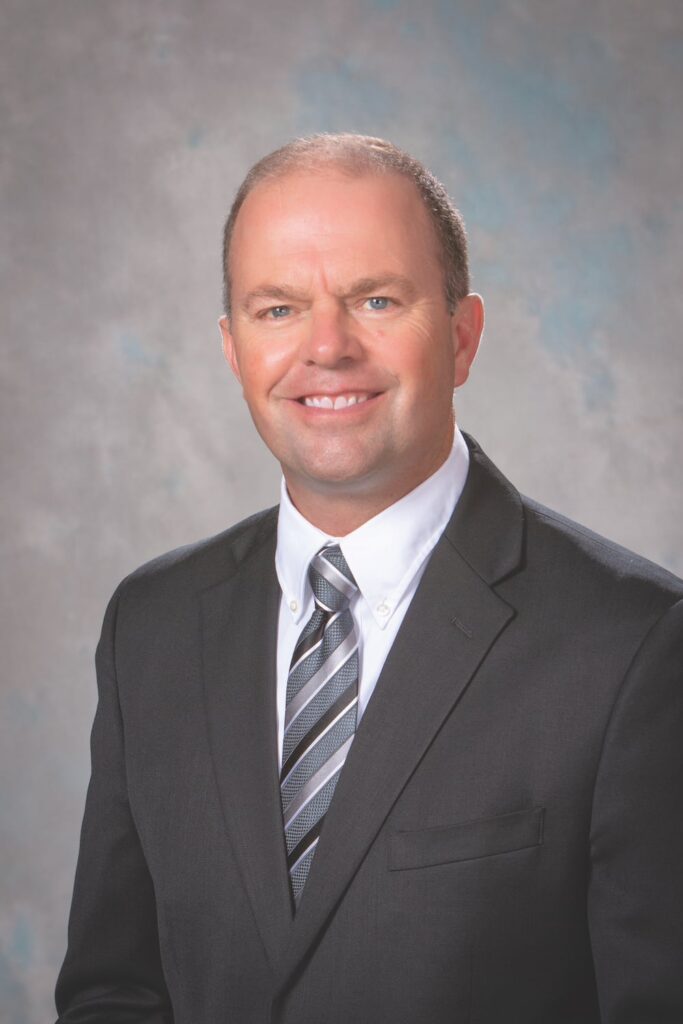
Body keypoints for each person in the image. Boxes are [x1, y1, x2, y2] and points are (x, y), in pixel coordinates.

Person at [55, 134, 683, 1023]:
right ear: (233, 349)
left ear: (461, 337)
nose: (326, 347)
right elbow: (114, 991)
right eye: (278, 309)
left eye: (375, 300)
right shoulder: (150, 626)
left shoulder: (633, 645)